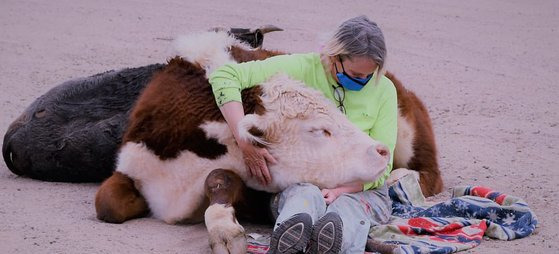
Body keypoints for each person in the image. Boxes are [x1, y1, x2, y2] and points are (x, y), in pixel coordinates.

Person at [209, 15, 396, 254]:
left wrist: (343, 190)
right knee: (303, 196)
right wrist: (243, 139)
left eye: (368, 76)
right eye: (355, 75)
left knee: (347, 210)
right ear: (333, 57)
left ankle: (335, 239)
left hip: (362, 187)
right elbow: (224, 76)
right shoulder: (302, 67)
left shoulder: (385, 91)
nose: (363, 81)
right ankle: (290, 236)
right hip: (308, 181)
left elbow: (383, 162)